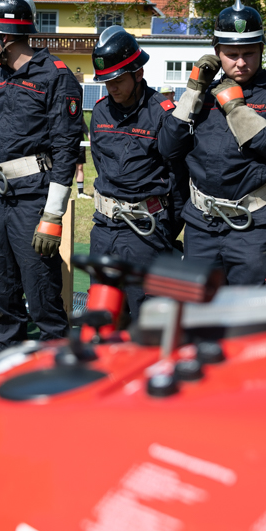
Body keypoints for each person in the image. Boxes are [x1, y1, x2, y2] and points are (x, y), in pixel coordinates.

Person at [163, 0, 266, 285]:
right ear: (217, 53)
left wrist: (238, 111)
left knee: (247, 309)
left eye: (249, 53)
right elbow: (168, 148)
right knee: (199, 309)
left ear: (261, 50)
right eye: (231, 54)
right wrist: (192, 93)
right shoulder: (204, 95)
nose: (240, 62)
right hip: (201, 225)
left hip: (253, 226)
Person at [0, 0, 84, 350]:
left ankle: (54, 365)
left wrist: (53, 215)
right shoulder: (0, 74)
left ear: (6, 36)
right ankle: (7, 363)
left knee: (41, 292)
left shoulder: (56, 76)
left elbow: (66, 151)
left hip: (33, 200)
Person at [88, 26, 186, 318]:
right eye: (106, 82)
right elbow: (101, 165)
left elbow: (179, 180)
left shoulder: (162, 114)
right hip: (104, 228)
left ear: (138, 73)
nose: (112, 88)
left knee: (145, 317)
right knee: (103, 315)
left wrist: (164, 229)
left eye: (118, 80)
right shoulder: (100, 112)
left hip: (146, 230)